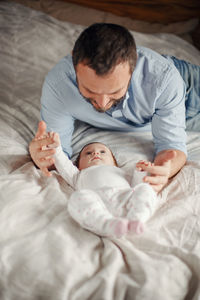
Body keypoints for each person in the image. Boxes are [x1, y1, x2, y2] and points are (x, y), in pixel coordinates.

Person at [29, 23, 200, 192]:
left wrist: (165, 170)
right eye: (90, 90)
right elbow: (57, 153)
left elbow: (171, 146)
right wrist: (42, 157)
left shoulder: (164, 79)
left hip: (190, 94)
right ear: (75, 64)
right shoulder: (59, 84)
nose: (102, 104)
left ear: (133, 69)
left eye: (115, 92)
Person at [46, 131, 158, 238]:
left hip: (124, 198)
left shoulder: (120, 172)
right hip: (97, 203)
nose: (96, 153)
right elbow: (63, 164)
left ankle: (137, 218)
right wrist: (56, 148)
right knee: (77, 198)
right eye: (88, 153)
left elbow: (135, 187)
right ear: (79, 166)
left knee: (145, 188)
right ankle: (106, 224)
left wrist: (140, 172)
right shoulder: (78, 175)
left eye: (103, 152)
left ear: (114, 163)